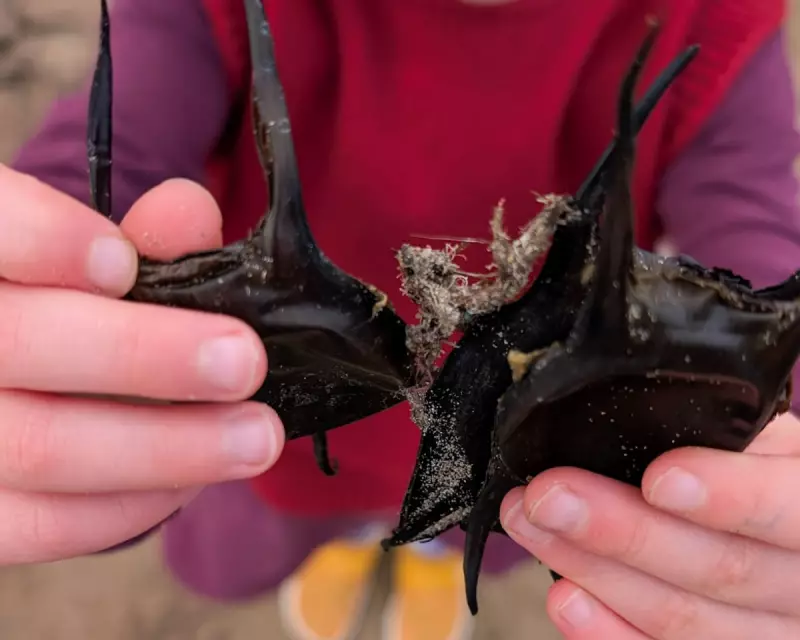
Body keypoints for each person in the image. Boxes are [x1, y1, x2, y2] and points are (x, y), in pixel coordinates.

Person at [3, 0, 800, 638]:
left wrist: (771, 474)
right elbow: (98, 167)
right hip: (262, 434)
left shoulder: (719, 23)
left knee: (462, 528)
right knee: (280, 531)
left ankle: (428, 545)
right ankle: (361, 543)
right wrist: (51, 310)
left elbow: (764, 249)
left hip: (511, 458)